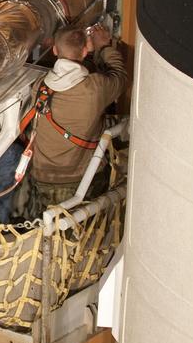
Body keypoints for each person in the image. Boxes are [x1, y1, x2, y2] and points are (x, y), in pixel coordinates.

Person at [26, 23, 130, 214]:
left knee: (48, 237)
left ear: (55, 49)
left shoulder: (40, 86)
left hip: (43, 178)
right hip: (84, 179)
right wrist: (103, 47)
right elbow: (120, 76)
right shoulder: (95, 88)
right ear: (84, 51)